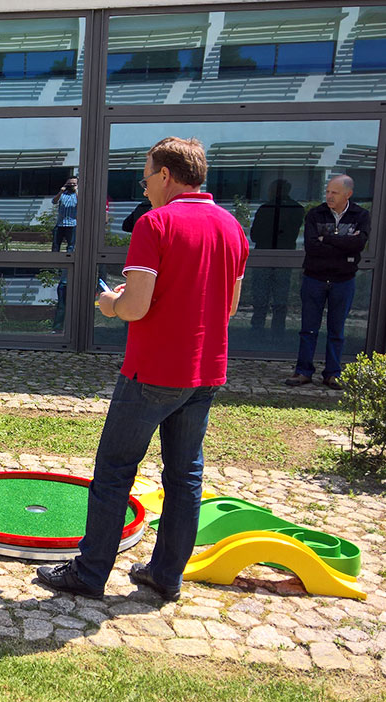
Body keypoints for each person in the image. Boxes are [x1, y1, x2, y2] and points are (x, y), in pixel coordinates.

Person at [37, 137, 248, 602]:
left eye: (147, 174)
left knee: (114, 470)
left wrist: (109, 303)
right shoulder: (232, 227)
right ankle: (166, 574)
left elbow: (134, 307)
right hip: (205, 372)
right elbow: (229, 307)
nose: (144, 184)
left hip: (152, 371)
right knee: (184, 476)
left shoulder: (155, 224)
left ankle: (90, 574)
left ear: (167, 176)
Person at [285, 175, 370, 390]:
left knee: (337, 330)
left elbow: (358, 244)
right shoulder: (316, 213)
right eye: (328, 192)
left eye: (335, 192)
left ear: (348, 194)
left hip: (343, 281)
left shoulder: (360, 215)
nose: (329, 196)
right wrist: (343, 245)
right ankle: (303, 371)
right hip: (314, 278)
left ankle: (332, 373)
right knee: (308, 329)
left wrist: (328, 239)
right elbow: (312, 246)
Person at [249, 179, 304, 337]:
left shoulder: (266, 209)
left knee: (261, 296)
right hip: (282, 257)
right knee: (280, 297)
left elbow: (254, 235)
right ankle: (278, 330)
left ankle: (257, 330)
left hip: (268, 256)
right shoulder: (297, 209)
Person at [51, 176, 78, 252]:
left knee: (71, 246)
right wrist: (60, 192)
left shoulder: (77, 195)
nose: (71, 185)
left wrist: (76, 191)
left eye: (73, 184)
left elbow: (82, 203)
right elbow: (54, 201)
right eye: (69, 183)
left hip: (72, 224)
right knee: (55, 245)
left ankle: (69, 261)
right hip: (60, 224)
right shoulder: (63, 194)